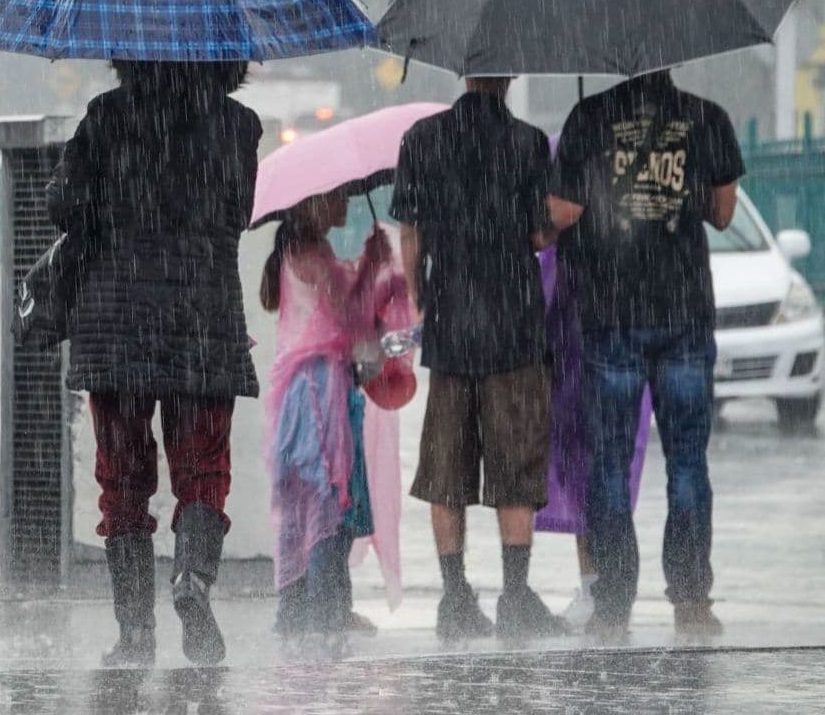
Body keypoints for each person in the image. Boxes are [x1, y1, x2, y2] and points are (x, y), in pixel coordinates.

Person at [48, 59, 260, 669]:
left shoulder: (107, 117)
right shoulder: (239, 125)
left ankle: (135, 633)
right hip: (203, 315)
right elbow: (237, 216)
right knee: (202, 467)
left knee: (123, 480)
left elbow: (66, 208)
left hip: (117, 320)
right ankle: (192, 580)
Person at [548, 69, 743, 642]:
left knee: (608, 463)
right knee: (687, 463)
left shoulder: (588, 118)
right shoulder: (708, 117)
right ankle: (689, 602)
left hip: (610, 314)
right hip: (682, 313)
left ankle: (613, 601)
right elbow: (724, 213)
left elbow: (561, 212)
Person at [388, 75, 568, 641]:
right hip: (513, 321)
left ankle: (454, 596)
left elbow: (411, 232)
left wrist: (419, 297)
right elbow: (540, 237)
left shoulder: (422, 138)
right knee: (515, 461)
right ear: (509, 78)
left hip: (451, 320)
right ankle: (515, 595)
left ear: (463, 73)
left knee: (447, 464)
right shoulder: (528, 142)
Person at [260, 193, 414, 650]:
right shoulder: (309, 253)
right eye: (335, 197)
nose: (343, 202)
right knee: (328, 495)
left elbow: (346, 308)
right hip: (316, 395)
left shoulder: (306, 250)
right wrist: (373, 266)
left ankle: (305, 608)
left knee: (308, 499)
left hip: (308, 391)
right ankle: (323, 610)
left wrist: (371, 268)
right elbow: (348, 315)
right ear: (310, 206)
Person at [534, 230, 650, 627]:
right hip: (581, 323)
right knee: (590, 459)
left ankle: (605, 587)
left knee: (598, 458)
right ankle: (603, 587)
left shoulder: (576, 174)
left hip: (591, 323)